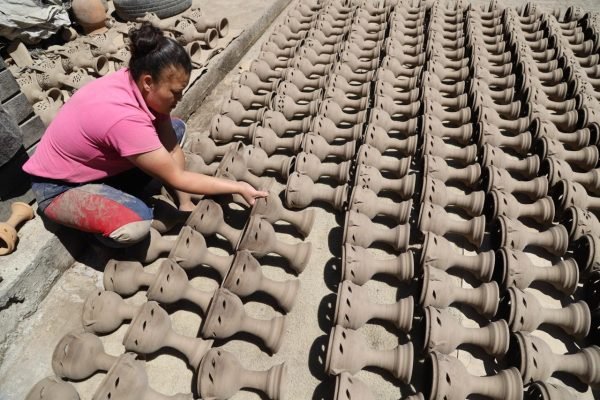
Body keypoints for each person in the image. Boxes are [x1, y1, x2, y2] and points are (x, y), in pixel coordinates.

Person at [22, 23, 267, 247]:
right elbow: (178, 176)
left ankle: (120, 191)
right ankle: (103, 231)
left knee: (176, 128)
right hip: (58, 187)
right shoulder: (123, 117)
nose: (180, 98)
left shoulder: (136, 83)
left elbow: (172, 149)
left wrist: (184, 202)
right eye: (175, 92)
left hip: (94, 163)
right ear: (149, 82)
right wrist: (237, 186)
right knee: (136, 223)